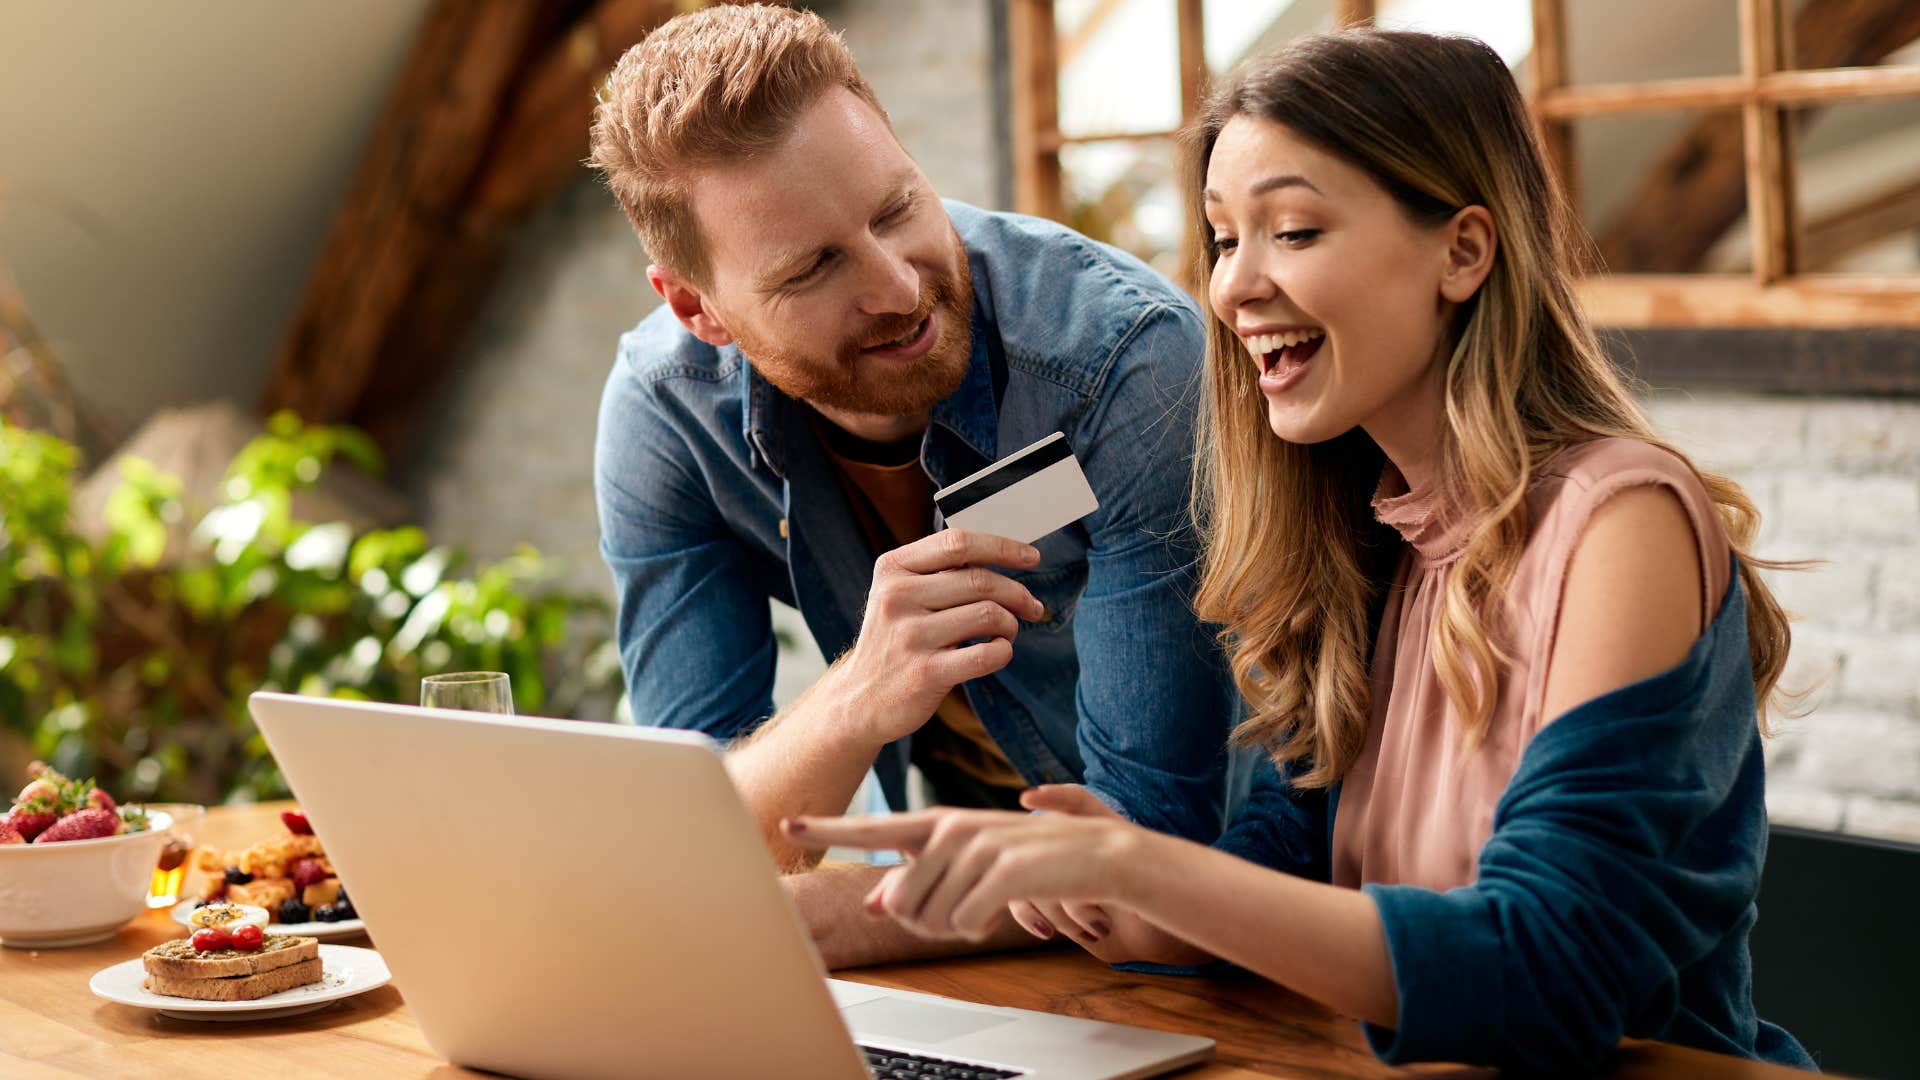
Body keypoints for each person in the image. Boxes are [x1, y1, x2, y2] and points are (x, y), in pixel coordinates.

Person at [787, 29, 1817, 1074]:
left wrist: (1144, 868)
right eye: (1224, 240)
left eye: (1292, 230)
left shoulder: (1620, 519)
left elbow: (1549, 969)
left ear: (1463, 251)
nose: (1233, 288)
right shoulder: (1366, 540)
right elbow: (1281, 871)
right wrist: (1105, 894)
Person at [586, 4, 1240, 968]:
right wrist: (858, 696)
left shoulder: (1121, 363)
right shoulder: (668, 414)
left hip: (1224, 941)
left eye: (896, 208)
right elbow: (698, 830)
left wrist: (800, 921)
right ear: (698, 308)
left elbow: (1150, 854)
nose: (897, 287)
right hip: (977, 939)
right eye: (814, 267)